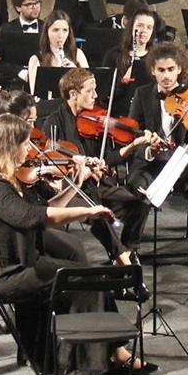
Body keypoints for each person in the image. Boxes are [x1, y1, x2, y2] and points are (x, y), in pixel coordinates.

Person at [0, 112, 149, 375]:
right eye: (25, 143)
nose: (29, 149)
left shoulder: (6, 180)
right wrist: (87, 213)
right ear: (9, 146)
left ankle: (108, 351)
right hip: (2, 275)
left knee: (87, 276)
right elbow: (37, 218)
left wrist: (79, 185)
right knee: (87, 278)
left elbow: (45, 208)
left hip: (20, 263)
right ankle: (100, 356)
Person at [42, 67, 147, 260]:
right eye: (90, 91)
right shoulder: (53, 124)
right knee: (99, 214)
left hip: (99, 186)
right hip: (74, 189)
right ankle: (122, 260)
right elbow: (55, 168)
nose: (95, 96)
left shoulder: (95, 120)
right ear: (73, 94)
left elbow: (107, 157)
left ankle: (128, 252)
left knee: (138, 206)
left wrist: (132, 146)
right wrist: (83, 170)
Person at [126, 43, 188, 267]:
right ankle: (129, 248)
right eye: (161, 70)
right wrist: (149, 148)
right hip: (150, 163)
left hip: (180, 164)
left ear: (179, 69)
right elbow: (132, 134)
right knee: (138, 189)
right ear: (152, 70)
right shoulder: (142, 95)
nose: (166, 76)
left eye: (171, 70)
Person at [24, 10, 88, 97]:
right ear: (47, 31)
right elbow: (35, 93)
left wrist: (75, 72)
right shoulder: (36, 59)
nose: (61, 35)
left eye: (65, 30)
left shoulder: (78, 54)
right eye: (56, 30)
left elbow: (89, 88)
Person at [0, 0, 47, 69]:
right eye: (29, 4)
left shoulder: (46, 27)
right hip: (15, 78)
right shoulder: (7, 30)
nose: (35, 7)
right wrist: (20, 72)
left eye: (37, 3)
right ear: (18, 8)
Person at [107, 6, 159, 91]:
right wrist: (123, 82)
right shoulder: (114, 55)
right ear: (131, 27)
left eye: (149, 27)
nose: (144, 30)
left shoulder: (157, 57)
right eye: (140, 26)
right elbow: (106, 92)